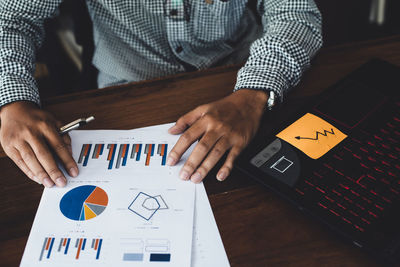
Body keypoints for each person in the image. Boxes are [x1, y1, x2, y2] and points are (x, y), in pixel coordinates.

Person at [0, 0, 322, 188]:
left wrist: (254, 92)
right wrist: (13, 100)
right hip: (126, 93)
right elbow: (10, 20)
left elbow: (295, 13)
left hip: (243, 85)